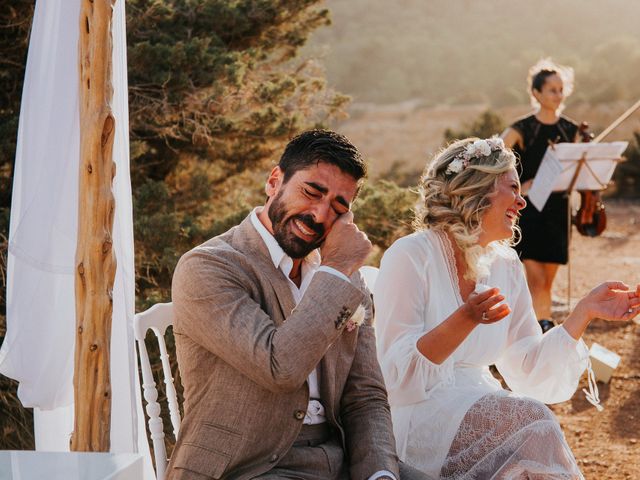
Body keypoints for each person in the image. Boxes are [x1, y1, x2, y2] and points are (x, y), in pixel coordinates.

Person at [167, 130, 429, 480]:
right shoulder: (209, 267)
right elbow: (280, 368)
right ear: (274, 181)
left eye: (338, 207)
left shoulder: (344, 277)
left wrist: (379, 474)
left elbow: (365, 396)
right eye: (311, 192)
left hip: (339, 462)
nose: (320, 216)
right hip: (247, 468)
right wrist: (335, 269)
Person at [374, 137, 640, 479]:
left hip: (481, 403)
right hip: (416, 413)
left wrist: (583, 312)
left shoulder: (505, 263)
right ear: (477, 189)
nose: (522, 201)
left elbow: (526, 365)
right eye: (513, 188)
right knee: (530, 420)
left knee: (526, 425)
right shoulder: (410, 255)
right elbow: (395, 376)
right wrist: (465, 319)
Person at [501, 59, 580, 332]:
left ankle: (539, 324)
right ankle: (542, 327)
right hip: (529, 210)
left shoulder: (571, 130)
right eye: (552, 90)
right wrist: (520, 187)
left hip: (559, 210)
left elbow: (578, 168)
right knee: (534, 279)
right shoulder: (520, 129)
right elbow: (494, 160)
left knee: (547, 280)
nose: (558, 95)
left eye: (561, 89)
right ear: (536, 93)